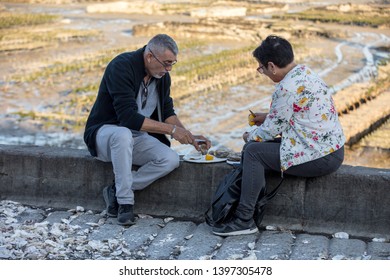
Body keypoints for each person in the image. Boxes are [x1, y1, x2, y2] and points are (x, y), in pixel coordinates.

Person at [212, 35, 345, 236]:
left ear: (272, 66)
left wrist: (249, 136)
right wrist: (267, 117)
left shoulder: (286, 88)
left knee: (253, 151)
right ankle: (247, 212)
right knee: (255, 150)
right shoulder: (304, 73)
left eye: (261, 68)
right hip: (329, 150)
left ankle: (244, 219)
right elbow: (296, 113)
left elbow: (269, 131)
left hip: (319, 156)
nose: (262, 72)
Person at [84, 34, 211, 226]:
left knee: (170, 159)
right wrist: (172, 130)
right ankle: (125, 203)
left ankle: (117, 190)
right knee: (123, 133)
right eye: (166, 63)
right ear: (150, 56)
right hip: (106, 135)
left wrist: (189, 136)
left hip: (136, 136)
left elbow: (167, 111)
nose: (168, 69)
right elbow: (128, 118)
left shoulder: (162, 77)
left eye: (172, 64)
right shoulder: (121, 66)